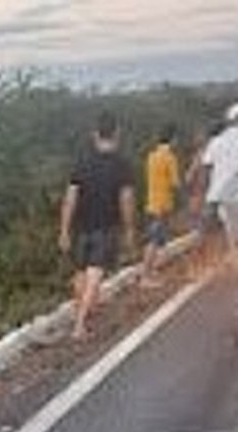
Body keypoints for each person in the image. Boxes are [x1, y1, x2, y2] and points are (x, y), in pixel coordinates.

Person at [58, 111, 136, 340]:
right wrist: (130, 229)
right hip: (105, 228)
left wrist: (63, 230)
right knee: (95, 274)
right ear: (117, 133)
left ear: (95, 134)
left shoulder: (81, 162)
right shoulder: (122, 165)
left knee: (81, 272)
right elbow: (127, 200)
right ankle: (80, 325)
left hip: (80, 227)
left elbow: (70, 198)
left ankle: (81, 311)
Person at [199, 102, 238, 254]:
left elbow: (205, 171)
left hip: (215, 196)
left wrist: (203, 196)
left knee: (208, 238)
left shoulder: (215, 141)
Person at [140, 124, 181, 286]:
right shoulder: (170, 157)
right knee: (153, 241)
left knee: (154, 240)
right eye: (176, 138)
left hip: (151, 203)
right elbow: (175, 184)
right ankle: (146, 277)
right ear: (173, 139)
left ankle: (151, 271)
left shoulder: (151, 156)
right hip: (162, 205)